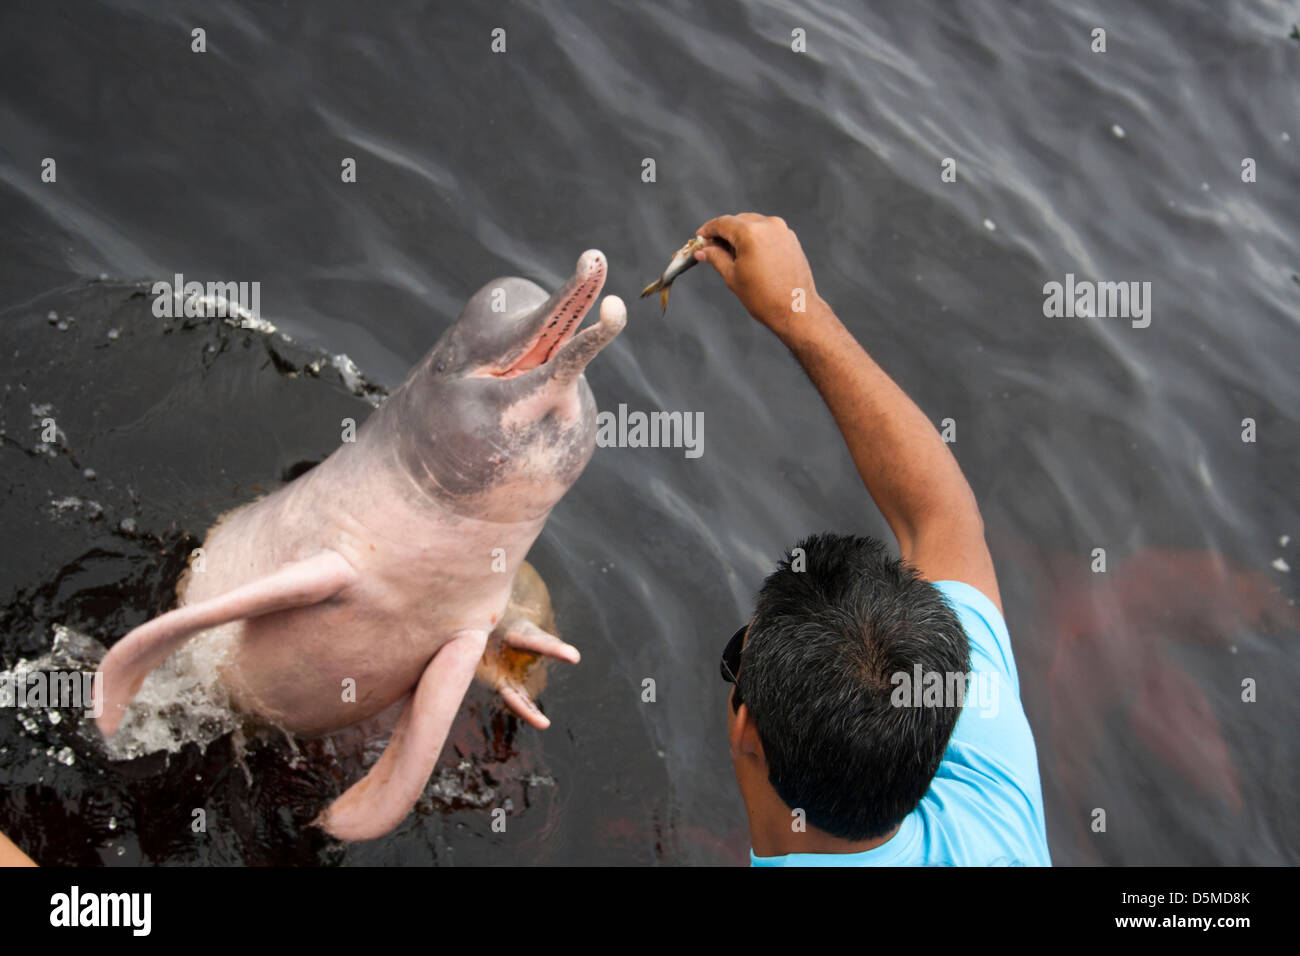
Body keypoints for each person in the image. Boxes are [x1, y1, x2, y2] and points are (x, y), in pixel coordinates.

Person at [694, 213, 1051, 866]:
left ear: (747, 727)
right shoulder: (988, 801)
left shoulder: (988, 772)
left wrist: (801, 312)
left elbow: (941, 518)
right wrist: (797, 312)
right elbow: (938, 514)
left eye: (735, 662)